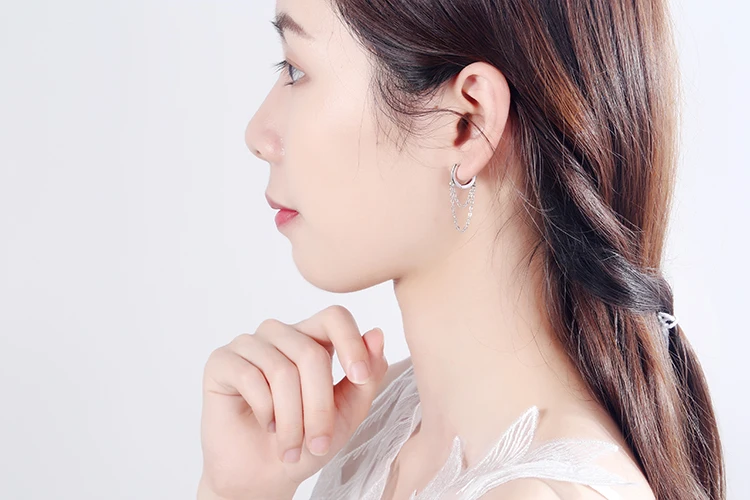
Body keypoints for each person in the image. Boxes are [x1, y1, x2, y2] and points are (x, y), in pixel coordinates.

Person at [198, 0, 726, 499]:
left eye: (295, 70)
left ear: (466, 124)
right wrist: (238, 491)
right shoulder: (384, 417)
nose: (257, 134)